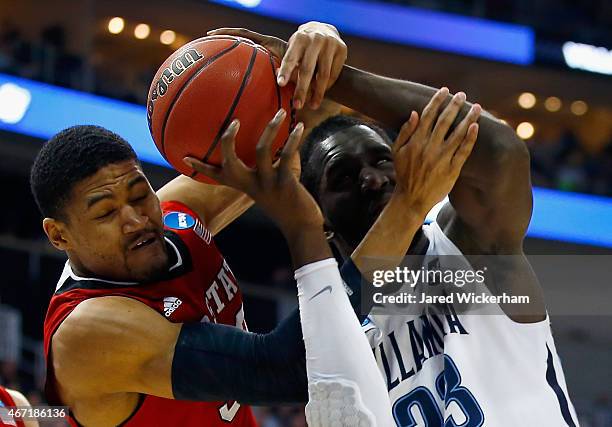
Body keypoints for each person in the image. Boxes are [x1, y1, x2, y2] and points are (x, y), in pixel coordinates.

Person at [210, 24, 580, 426]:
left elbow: (501, 152)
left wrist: (335, 80)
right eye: (344, 178)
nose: (372, 178)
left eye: (382, 160)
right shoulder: (332, 325)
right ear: (321, 218)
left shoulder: (464, 246)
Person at [33, 22, 400, 427]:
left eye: (139, 195)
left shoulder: (175, 216)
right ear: (58, 234)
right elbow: (290, 369)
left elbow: (289, 138)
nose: (136, 220)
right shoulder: (89, 330)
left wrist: (315, 50)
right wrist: (407, 209)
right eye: (105, 213)